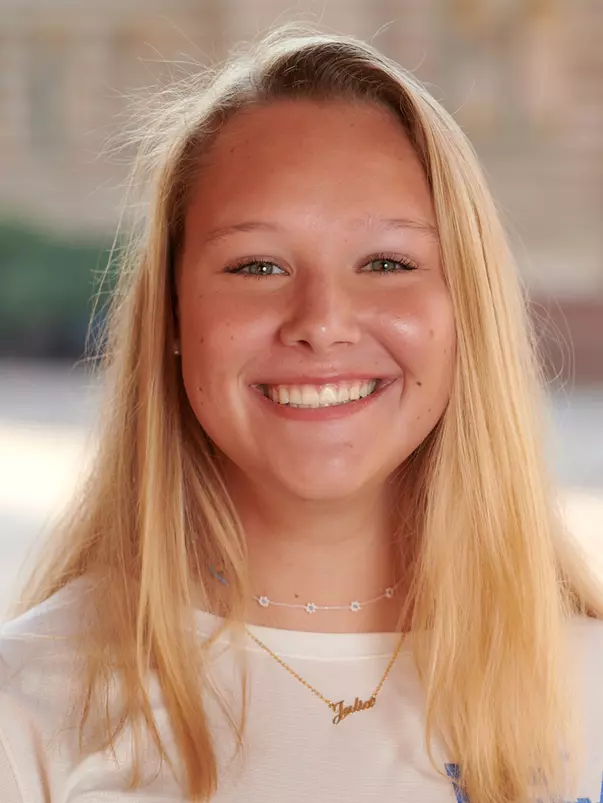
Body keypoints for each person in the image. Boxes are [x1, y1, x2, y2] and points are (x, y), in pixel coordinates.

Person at [1, 24, 602, 803]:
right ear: (174, 317)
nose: (321, 319)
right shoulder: (30, 711)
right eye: (257, 265)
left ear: (466, 309)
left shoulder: (586, 685)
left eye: (387, 262)